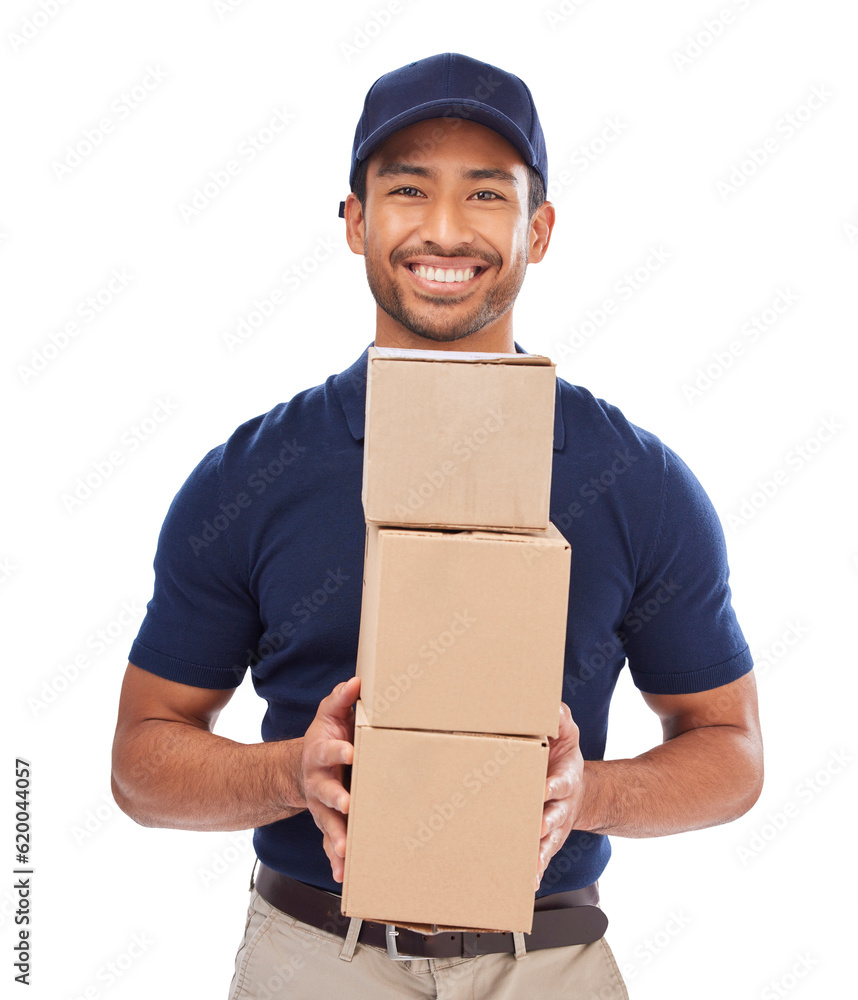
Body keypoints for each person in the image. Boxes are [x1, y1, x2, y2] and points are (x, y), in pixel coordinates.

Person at [111, 52, 763, 999]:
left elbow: (732, 751)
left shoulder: (636, 480)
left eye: (487, 195)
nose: (445, 230)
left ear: (538, 230)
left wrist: (588, 796)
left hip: (549, 961)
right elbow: (141, 761)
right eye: (408, 189)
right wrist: (297, 772)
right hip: (314, 959)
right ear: (354, 220)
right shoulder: (254, 478)